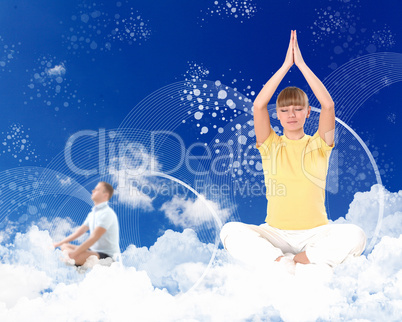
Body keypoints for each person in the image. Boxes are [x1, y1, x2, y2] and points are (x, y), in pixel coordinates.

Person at [220, 30, 366, 271]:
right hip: (275, 233)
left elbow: (328, 105)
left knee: (357, 235)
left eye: (298, 109)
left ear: (308, 113)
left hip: (316, 234)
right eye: (285, 110)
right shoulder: (270, 145)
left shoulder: (320, 145)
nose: (291, 115)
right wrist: (286, 65)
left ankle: (298, 261)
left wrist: (301, 65)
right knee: (230, 231)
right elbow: (258, 106)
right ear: (277, 115)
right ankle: (279, 260)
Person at [53, 181, 120, 266]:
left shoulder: (107, 213)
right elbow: (78, 232)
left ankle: (77, 261)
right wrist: (58, 244)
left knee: (74, 255)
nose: (93, 191)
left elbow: (94, 238)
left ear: (105, 195)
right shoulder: (92, 214)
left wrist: (73, 254)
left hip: (106, 256)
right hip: (93, 251)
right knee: (64, 246)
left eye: (97, 189)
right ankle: (78, 262)